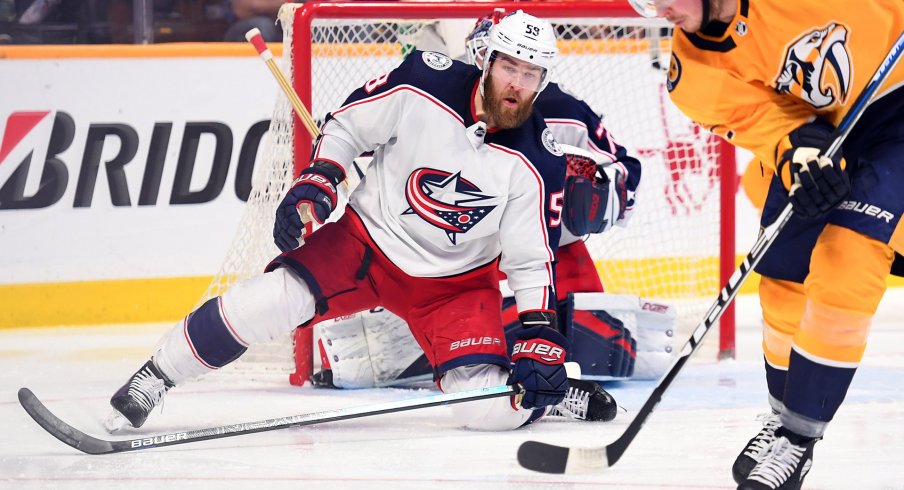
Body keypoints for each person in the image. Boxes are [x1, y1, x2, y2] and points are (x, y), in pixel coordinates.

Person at [105, 10, 583, 434]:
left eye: (531, 72)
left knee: (478, 409)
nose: (517, 83)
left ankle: (550, 399)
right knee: (266, 300)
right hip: (365, 247)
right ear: (488, 62)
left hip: (454, 288)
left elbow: (529, 258)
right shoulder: (423, 83)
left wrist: (539, 332)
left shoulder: (539, 158)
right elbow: (348, 126)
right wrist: (320, 178)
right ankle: (156, 377)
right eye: (509, 66)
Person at [310, 9, 645, 423]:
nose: (513, 77)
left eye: (526, 68)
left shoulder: (564, 111)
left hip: (538, 261)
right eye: (500, 57)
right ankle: (509, 379)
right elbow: (365, 140)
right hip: (461, 261)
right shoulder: (443, 97)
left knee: (598, 345)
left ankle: (534, 384)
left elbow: (627, 173)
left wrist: (594, 195)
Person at [628, 0, 904, 488]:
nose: (658, 9)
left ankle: (798, 439)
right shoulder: (692, 74)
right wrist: (798, 152)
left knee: (847, 257)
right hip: (822, 132)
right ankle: (780, 420)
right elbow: (770, 123)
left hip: (898, 109)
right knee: (780, 273)